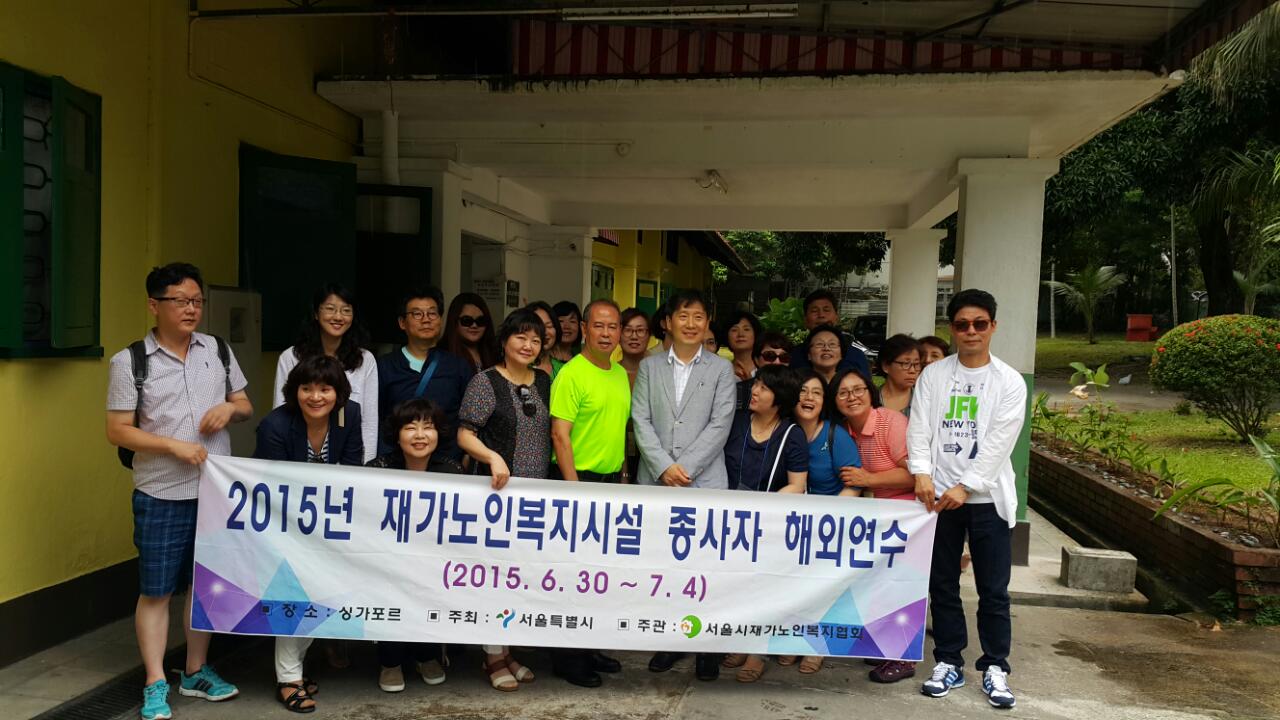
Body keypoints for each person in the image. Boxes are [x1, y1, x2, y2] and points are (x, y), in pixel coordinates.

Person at [106, 263, 252, 720]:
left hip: (214, 491)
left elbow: (245, 403)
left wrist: (229, 411)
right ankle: (154, 681)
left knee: (204, 586)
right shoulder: (130, 362)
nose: (191, 309)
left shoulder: (218, 349)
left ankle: (195, 670)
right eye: (181, 301)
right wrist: (172, 445)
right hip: (160, 491)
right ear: (155, 305)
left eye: (197, 301)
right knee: (156, 591)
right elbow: (117, 430)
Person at [909, 289, 1025, 709]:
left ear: (993, 326)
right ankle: (948, 660)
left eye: (979, 323)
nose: (971, 331)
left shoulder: (1009, 381)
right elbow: (919, 427)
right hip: (938, 500)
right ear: (952, 329)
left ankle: (995, 665)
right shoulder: (934, 375)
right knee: (942, 583)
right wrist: (922, 472)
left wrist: (967, 486)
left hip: (987, 500)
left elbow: (999, 443)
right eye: (962, 324)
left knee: (993, 589)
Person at [632, 289, 737, 682]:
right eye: (683, 316)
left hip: (703, 482)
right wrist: (663, 467)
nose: (691, 324)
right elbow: (640, 419)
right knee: (666, 567)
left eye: (698, 317)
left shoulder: (721, 369)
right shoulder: (649, 367)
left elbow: (721, 424)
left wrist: (684, 468)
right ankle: (672, 638)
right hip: (658, 482)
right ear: (667, 322)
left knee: (705, 568)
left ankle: (707, 647)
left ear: (707, 323)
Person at [254, 355, 364, 713]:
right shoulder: (275, 425)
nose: (316, 397)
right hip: (282, 522)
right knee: (294, 592)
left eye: (325, 389)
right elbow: (274, 484)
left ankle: (294, 671)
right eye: (307, 388)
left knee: (321, 592)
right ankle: (288, 679)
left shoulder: (350, 416)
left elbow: (352, 471)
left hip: (328, 523)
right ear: (294, 391)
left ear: (339, 393)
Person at [456, 309, 549, 692]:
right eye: (521, 337)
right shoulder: (486, 381)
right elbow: (465, 434)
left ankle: (506, 649)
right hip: (496, 496)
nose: (528, 345)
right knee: (494, 576)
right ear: (505, 340)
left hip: (534, 499)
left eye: (536, 340)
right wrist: (493, 457)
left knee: (517, 577)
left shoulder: (545, 381)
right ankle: (492, 654)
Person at [548, 299, 631, 687]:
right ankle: (568, 658)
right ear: (584, 329)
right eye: (599, 325)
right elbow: (559, 435)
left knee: (597, 575)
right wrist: (574, 490)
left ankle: (588, 646)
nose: (606, 333)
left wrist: (623, 475)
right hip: (575, 481)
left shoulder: (619, 374)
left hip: (609, 482)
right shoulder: (572, 374)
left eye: (613, 326)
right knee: (571, 575)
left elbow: (618, 431)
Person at [366, 398, 468, 694]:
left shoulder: (452, 472)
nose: (420, 435)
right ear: (397, 434)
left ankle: (427, 656)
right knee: (391, 589)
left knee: (430, 589)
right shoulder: (376, 471)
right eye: (410, 428)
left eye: (428, 427)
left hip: (434, 562)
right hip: (387, 561)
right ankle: (390, 661)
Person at [720, 364, 807, 683]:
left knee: (764, 588)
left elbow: (798, 484)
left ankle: (758, 652)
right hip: (730, 519)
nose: (754, 391)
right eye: (756, 384)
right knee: (735, 586)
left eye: (764, 388)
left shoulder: (792, 434)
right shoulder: (736, 421)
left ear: (779, 398)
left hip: (769, 523)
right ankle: (740, 641)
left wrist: (764, 507)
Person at [830, 366, 917, 683]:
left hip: (906, 516)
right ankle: (885, 646)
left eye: (858, 390)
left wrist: (869, 478)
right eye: (843, 392)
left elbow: (916, 474)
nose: (852, 397)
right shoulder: (842, 431)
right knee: (877, 585)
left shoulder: (890, 423)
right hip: (872, 519)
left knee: (900, 585)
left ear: (870, 392)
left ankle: (903, 658)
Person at [785, 369, 861, 675]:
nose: (808, 397)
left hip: (830, 526)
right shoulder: (784, 430)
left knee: (823, 589)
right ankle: (791, 641)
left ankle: (816, 645)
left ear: (824, 401)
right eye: (803, 391)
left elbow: (854, 484)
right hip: (791, 527)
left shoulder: (834, 435)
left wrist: (829, 518)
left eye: (816, 393)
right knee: (792, 587)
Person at [273, 284, 378, 464]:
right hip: (297, 458)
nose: (338, 317)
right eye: (330, 309)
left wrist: (366, 468)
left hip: (348, 460)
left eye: (346, 310)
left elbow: (369, 421)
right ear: (316, 313)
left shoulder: (365, 359)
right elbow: (281, 412)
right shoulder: (291, 357)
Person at [377, 285, 474, 459]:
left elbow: (468, 420)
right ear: (402, 322)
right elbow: (377, 418)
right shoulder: (385, 366)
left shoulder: (458, 366)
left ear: (440, 319)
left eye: (432, 313)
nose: (426, 320)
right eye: (417, 314)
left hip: (446, 464)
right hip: (397, 463)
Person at [790, 289, 870, 377]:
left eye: (826, 310)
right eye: (814, 311)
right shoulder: (794, 356)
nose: (821, 315)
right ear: (805, 320)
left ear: (836, 317)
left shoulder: (856, 356)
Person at [618, 307, 652, 483]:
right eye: (628, 330)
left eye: (640, 330)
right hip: (616, 453)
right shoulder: (611, 372)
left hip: (652, 453)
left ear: (649, 335)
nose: (634, 336)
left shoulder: (659, 373)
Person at [442, 292, 499, 372]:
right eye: (467, 321)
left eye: (480, 320)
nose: (474, 326)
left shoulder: (496, 353)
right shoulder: (442, 356)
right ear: (454, 322)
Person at [736, 331, 793, 411]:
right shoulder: (739, 391)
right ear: (756, 359)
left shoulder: (797, 391)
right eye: (770, 356)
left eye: (784, 357)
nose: (777, 362)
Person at [878, 334, 924, 416]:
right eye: (906, 363)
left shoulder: (923, 401)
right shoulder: (870, 400)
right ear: (886, 366)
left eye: (916, 364)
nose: (912, 371)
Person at [525, 301, 565, 379]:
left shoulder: (563, 370)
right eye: (538, 327)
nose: (545, 332)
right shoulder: (519, 367)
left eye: (549, 326)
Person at [723, 310, 762, 381]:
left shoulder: (766, 370)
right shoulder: (720, 371)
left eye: (746, 329)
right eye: (734, 330)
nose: (741, 334)